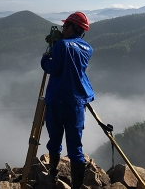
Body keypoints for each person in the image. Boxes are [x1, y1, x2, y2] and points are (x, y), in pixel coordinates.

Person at [41, 11, 95, 189]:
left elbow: (54, 68)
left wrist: (44, 59)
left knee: (55, 140)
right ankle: (77, 187)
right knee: (75, 146)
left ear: (71, 27)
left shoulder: (61, 45)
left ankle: (54, 174)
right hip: (77, 102)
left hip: (57, 100)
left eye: (65, 26)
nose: (63, 29)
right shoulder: (88, 48)